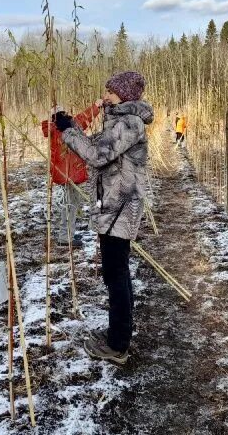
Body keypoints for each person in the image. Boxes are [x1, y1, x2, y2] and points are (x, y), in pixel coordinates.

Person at [54, 71, 153, 365]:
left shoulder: (129, 123)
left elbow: (97, 155)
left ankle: (118, 345)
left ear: (123, 94)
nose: (105, 95)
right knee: (117, 273)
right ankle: (117, 336)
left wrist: (67, 132)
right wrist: (71, 125)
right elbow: (99, 146)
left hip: (120, 207)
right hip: (114, 206)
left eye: (110, 91)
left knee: (116, 274)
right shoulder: (119, 121)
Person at [41, 100, 101, 248]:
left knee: (70, 204)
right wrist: (96, 105)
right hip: (71, 174)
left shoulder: (53, 129)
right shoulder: (69, 126)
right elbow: (84, 118)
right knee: (70, 205)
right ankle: (65, 238)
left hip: (64, 174)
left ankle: (68, 234)